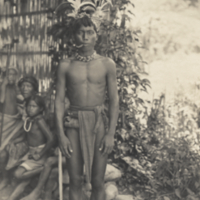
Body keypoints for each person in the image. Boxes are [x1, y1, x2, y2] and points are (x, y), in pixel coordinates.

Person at [55, 15, 119, 200]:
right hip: (73, 124)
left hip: (98, 125)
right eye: (80, 33)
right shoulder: (65, 65)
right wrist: (61, 135)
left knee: (97, 182)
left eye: (89, 32)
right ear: (73, 36)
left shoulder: (107, 64)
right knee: (75, 180)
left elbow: (114, 101)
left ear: (96, 36)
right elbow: (58, 101)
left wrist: (110, 134)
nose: (85, 37)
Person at [7, 95, 54, 200]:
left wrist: (40, 154)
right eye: (28, 106)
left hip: (39, 153)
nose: (30, 108)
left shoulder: (39, 120)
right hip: (31, 152)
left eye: (34, 106)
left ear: (41, 108)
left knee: (18, 174)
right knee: (23, 180)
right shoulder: (29, 120)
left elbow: (51, 139)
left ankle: (44, 169)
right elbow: (25, 136)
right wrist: (12, 142)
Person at [0, 67, 23, 190]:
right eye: (9, 74)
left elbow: (22, 100)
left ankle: (7, 179)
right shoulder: (1, 86)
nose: (12, 77)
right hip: (3, 122)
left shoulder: (17, 88)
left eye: (14, 75)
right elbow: (2, 100)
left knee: (5, 153)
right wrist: (3, 84)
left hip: (14, 124)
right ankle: (4, 178)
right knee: (1, 153)